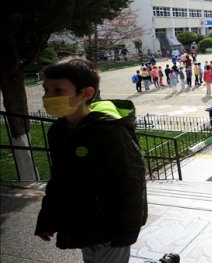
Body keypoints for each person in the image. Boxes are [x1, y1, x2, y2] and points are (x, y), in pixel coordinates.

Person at [35, 57, 147, 262]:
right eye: (46, 89)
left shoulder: (109, 132)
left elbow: (132, 181)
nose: (47, 96)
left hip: (112, 226)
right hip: (84, 224)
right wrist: (47, 218)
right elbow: (59, 179)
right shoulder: (58, 131)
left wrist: (126, 230)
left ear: (86, 93)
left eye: (57, 90)